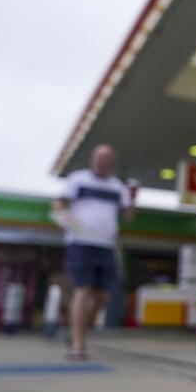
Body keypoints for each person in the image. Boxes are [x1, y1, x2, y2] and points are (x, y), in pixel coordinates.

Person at [51, 144, 135, 360]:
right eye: (98, 158)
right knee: (83, 290)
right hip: (80, 242)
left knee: (104, 295)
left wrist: (133, 198)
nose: (100, 162)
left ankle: (77, 330)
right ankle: (78, 346)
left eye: (105, 159)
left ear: (111, 163)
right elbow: (58, 203)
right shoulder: (78, 179)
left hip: (106, 245)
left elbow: (127, 216)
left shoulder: (118, 187)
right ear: (92, 159)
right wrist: (65, 216)